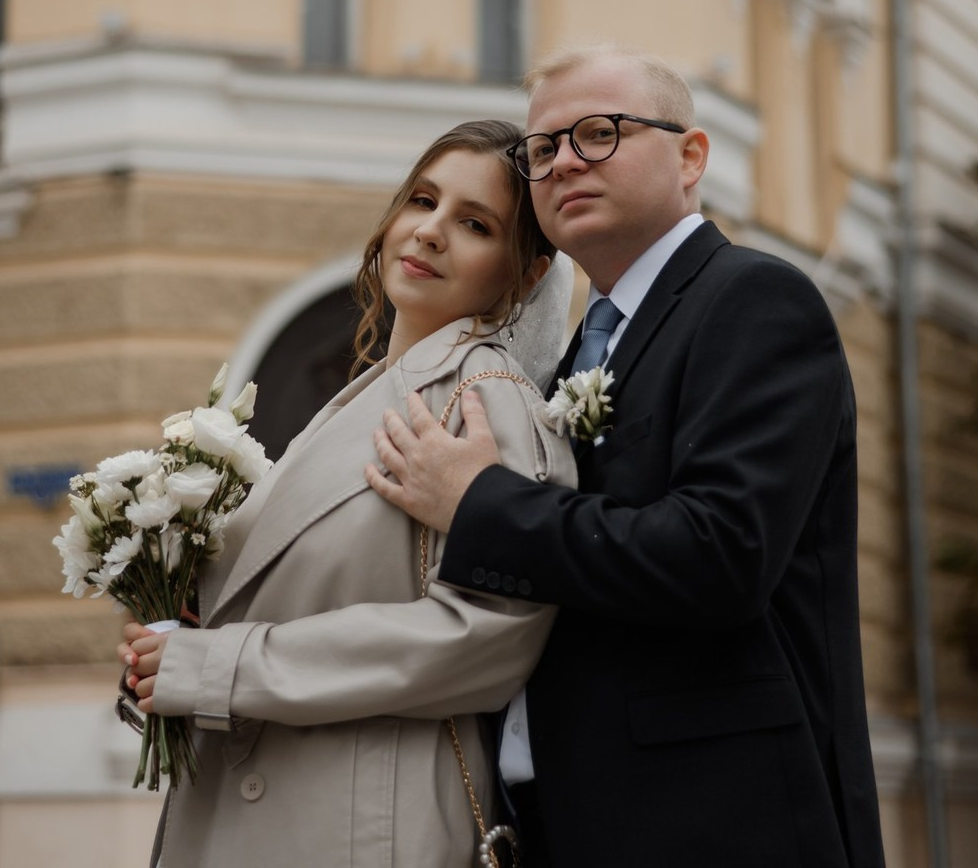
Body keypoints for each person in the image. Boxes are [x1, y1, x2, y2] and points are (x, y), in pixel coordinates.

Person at [367, 47, 886, 868]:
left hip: (715, 820)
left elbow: (720, 555)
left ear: (691, 156)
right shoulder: (579, 351)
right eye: (543, 150)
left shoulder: (754, 300)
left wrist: (480, 502)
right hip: (562, 819)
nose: (565, 160)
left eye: (600, 133)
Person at [119, 119, 577, 868]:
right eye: (422, 201)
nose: (430, 233)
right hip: (276, 808)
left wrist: (217, 668)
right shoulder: (365, 397)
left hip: (360, 825)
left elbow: (488, 639)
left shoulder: (484, 400)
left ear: (523, 275)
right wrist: (166, 649)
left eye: (473, 223)